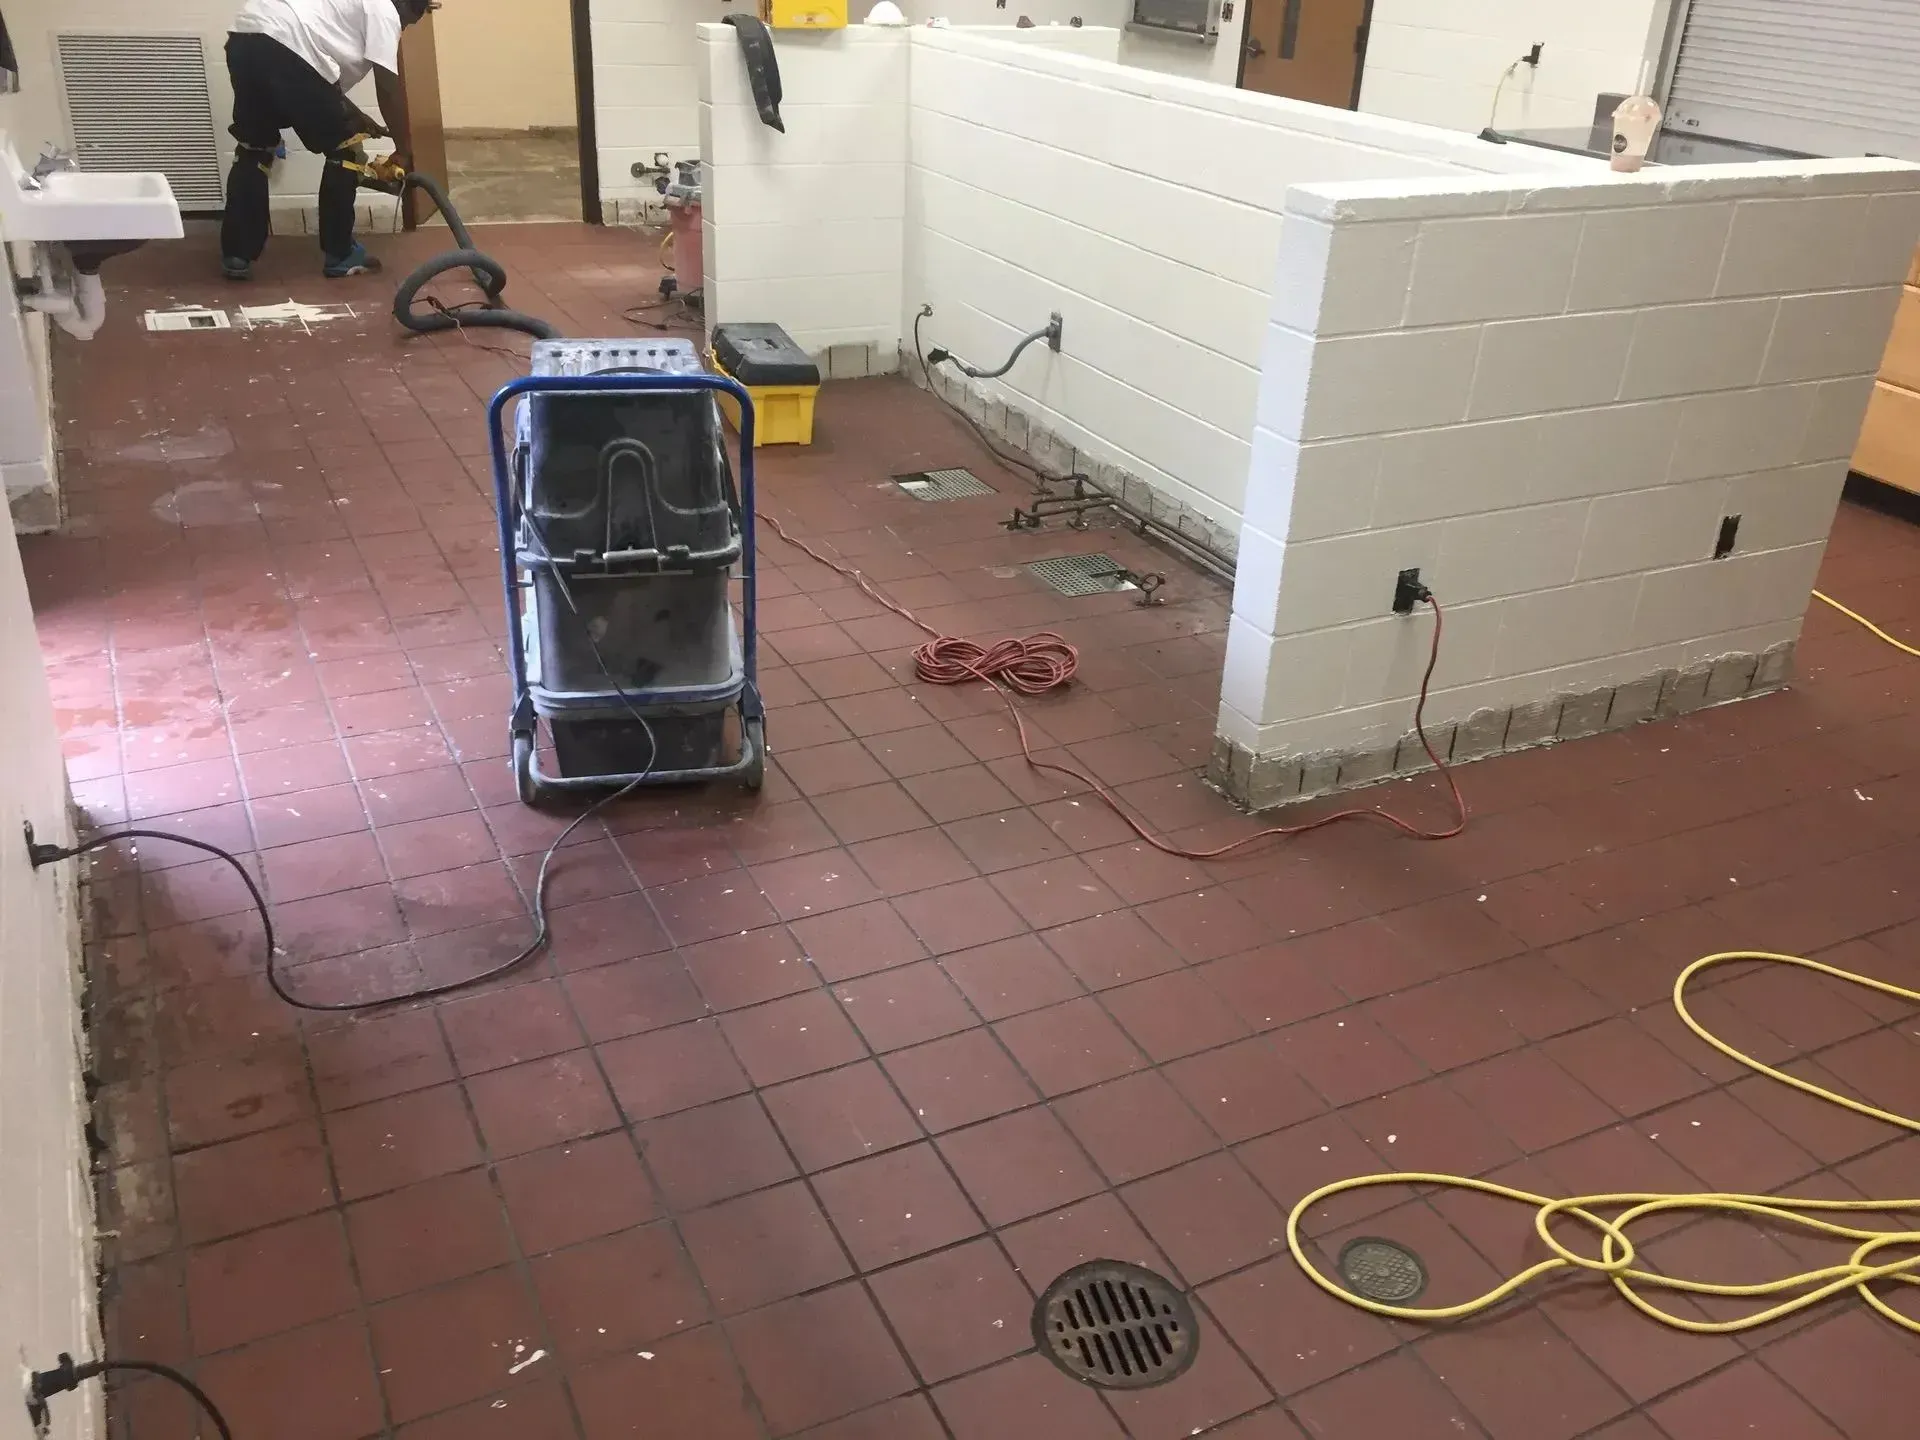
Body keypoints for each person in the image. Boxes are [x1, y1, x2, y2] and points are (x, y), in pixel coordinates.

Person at [219, 0, 437, 281]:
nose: (402, 29)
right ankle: (340, 254)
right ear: (408, 7)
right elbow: (387, 87)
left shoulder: (348, 6)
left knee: (254, 146)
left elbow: (317, 80)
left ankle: (238, 253)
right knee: (348, 152)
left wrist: (357, 116)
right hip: (286, 43)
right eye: (408, 22)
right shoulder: (384, 10)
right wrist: (404, 150)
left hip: (245, 37)